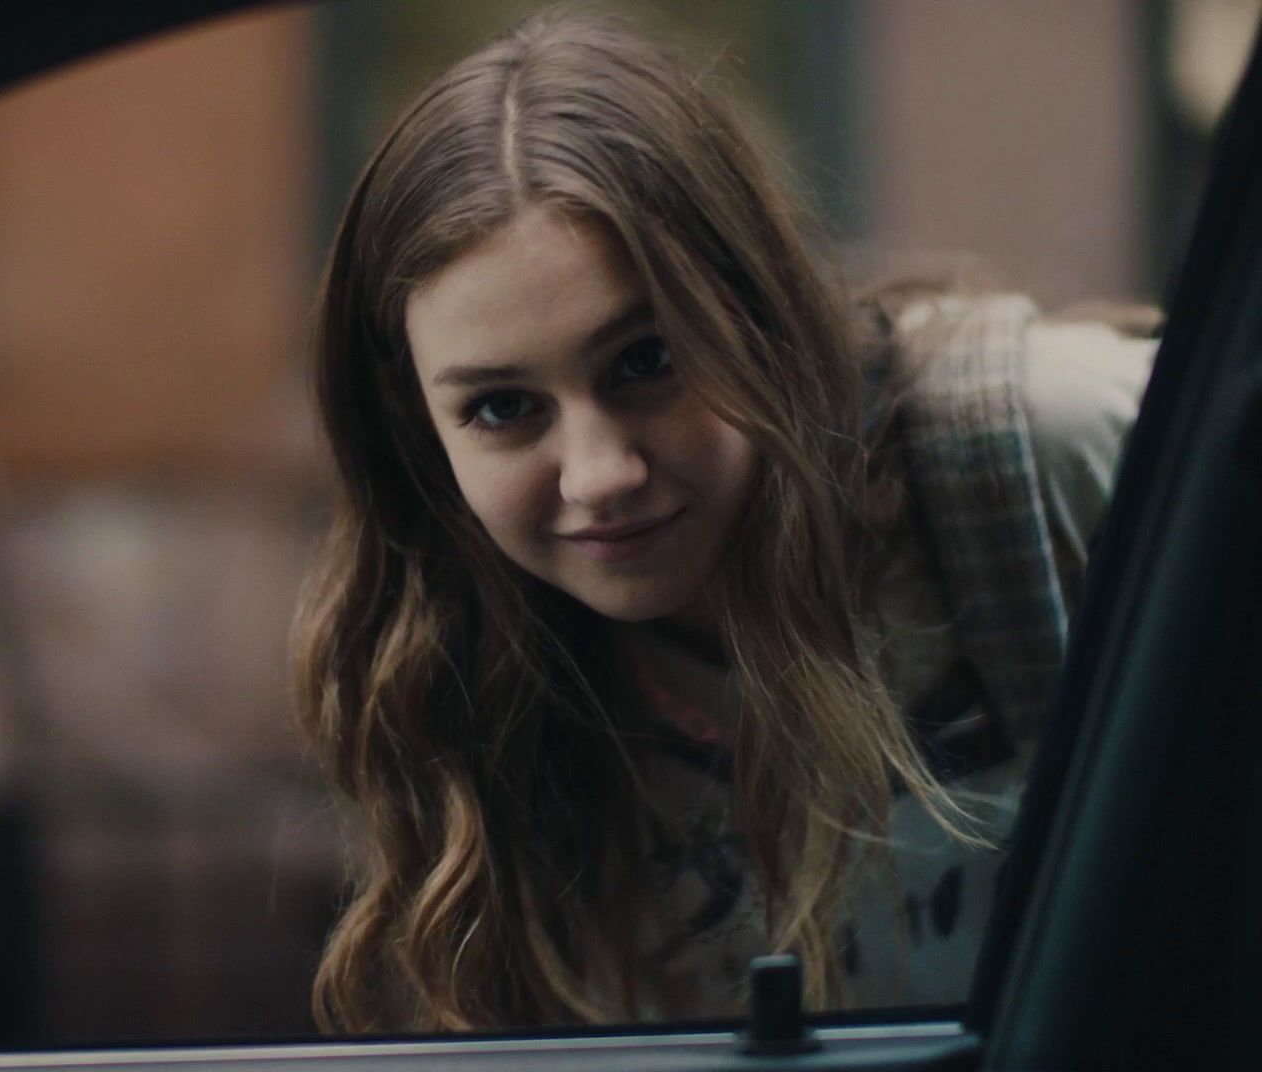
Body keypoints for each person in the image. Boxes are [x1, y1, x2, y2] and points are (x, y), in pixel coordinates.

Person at [291, 7, 1156, 1032]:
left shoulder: (1042, 442)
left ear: (758, 313)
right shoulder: (465, 682)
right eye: (502, 408)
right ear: (423, 436)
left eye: (648, 362)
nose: (603, 474)